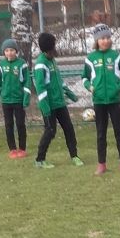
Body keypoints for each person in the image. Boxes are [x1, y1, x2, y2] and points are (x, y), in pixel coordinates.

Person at [82, 23, 120, 175]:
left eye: (107, 38)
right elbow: (84, 77)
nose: (104, 41)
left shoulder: (117, 56)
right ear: (96, 41)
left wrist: (119, 87)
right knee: (100, 133)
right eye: (101, 38)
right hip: (98, 101)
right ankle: (101, 164)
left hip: (115, 100)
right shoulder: (90, 59)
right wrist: (89, 87)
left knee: (119, 132)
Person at [33, 32, 84, 169]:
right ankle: (40, 159)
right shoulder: (40, 64)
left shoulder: (52, 61)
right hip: (49, 105)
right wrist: (45, 107)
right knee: (50, 131)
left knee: (69, 129)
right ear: (47, 49)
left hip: (60, 103)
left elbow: (58, 81)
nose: (54, 50)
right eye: (52, 47)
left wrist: (69, 93)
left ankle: (74, 156)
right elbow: (40, 87)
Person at [0, 38, 31, 159]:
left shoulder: (22, 64)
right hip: (6, 101)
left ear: (16, 51)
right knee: (8, 125)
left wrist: (26, 98)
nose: (9, 53)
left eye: (12, 50)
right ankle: (12, 149)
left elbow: (27, 82)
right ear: (4, 52)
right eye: (7, 50)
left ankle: (22, 148)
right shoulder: (1, 65)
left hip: (18, 100)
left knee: (20, 124)